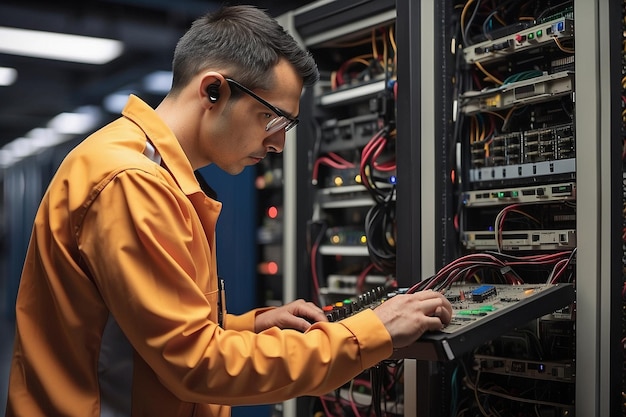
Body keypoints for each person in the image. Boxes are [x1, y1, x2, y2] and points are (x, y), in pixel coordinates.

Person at [5, 5, 452, 417]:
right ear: (214, 90)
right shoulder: (131, 181)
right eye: (274, 119)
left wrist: (248, 329)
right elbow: (197, 366)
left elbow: (140, 332)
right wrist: (373, 332)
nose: (279, 144)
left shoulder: (146, 169)